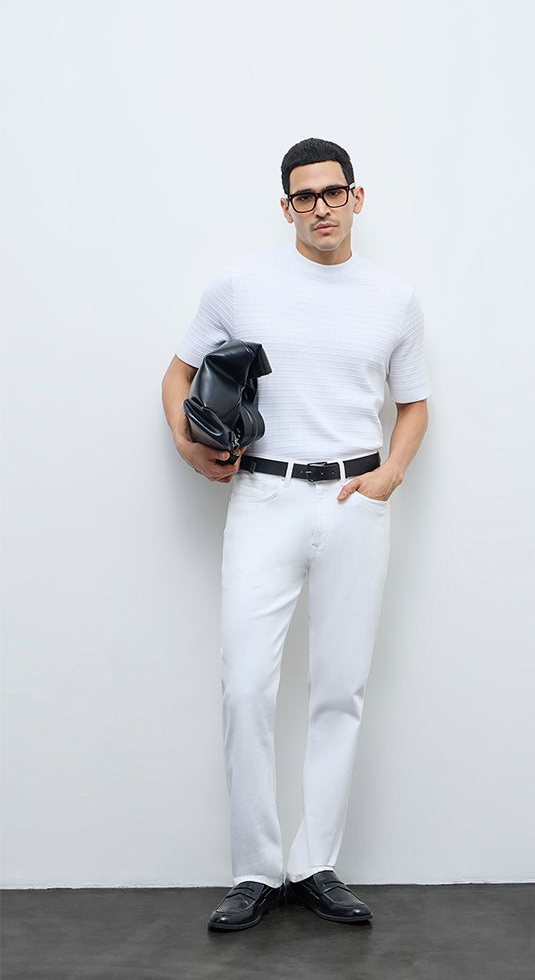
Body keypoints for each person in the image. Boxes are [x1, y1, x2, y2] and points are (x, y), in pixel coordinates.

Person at [162, 137, 430, 930]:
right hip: (264, 496)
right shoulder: (240, 286)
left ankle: (316, 865)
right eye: (304, 196)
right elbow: (178, 372)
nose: (321, 207)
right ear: (287, 206)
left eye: (333, 192)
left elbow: (414, 404)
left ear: (356, 197)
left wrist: (390, 475)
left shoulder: (394, 299)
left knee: (340, 688)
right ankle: (255, 870)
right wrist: (187, 445)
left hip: (354, 498)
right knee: (246, 684)